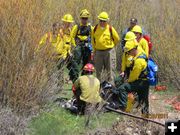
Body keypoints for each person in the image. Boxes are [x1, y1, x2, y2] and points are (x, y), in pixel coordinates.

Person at [115, 40, 149, 116]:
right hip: (144, 82)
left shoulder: (139, 61)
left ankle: (123, 108)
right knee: (144, 101)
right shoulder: (140, 55)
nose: (128, 53)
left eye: (128, 51)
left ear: (134, 49)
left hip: (140, 83)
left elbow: (134, 76)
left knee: (122, 88)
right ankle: (145, 118)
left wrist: (128, 81)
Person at [92, 12, 120, 83]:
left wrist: (112, 48)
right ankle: (99, 88)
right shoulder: (95, 28)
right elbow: (93, 40)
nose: (102, 22)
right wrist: (94, 50)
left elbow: (117, 39)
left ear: (107, 21)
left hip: (109, 51)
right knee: (98, 71)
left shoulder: (110, 28)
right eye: (100, 20)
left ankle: (111, 89)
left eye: (104, 21)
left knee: (110, 71)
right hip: (98, 52)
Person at [68, 9, 93, 83]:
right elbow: (71, 36)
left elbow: (94, 37)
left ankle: (84, 79)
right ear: (80, 18)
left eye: (86, 18)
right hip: (78, 46)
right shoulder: (77, 27)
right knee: (75, 63)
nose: (84, 20)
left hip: (87, 47)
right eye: (83, 18)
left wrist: (92, 47)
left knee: (86, 63)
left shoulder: (90, 27)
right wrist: (74, 45)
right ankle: (74, 79)